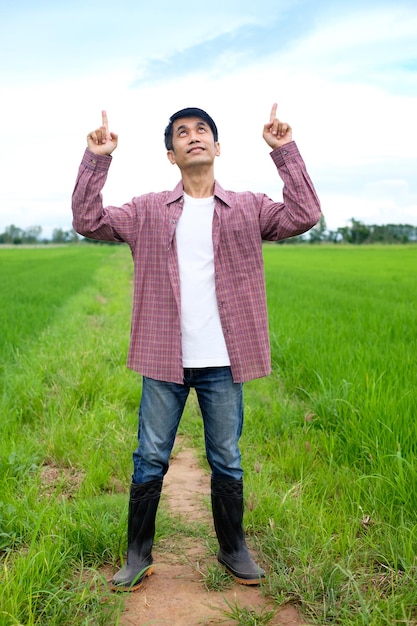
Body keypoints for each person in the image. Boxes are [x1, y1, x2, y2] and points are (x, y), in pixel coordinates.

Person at [72, 104, 321, 591]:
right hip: (163, 360)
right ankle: (137, 555)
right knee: (150, 457)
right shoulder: (146, 210)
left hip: (224, 363)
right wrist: (96, 159)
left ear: (217, 146)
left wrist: (284, 152)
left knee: (226, 458)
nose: (193, 137)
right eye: (182, 133)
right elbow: (87, 219)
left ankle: (234, 549)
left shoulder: (249, 207)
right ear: (171, 155)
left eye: (202, 130)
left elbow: (305, 214)